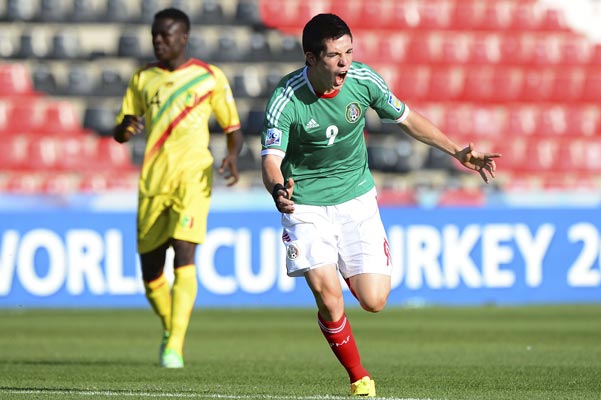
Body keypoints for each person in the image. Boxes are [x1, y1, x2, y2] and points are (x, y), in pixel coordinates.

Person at [260, 13, 500, 397]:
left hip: (356, 200)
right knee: (328, 296)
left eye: (349, 52)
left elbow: (407, 119)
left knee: (374, 300)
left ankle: (341, 270)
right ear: (311, 58)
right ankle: (359, 378)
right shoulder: (286, 98)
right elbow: (271, 159)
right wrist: (277, 190)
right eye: (334, 55)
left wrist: (457, 151)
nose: (344, 63)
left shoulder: (363, 81)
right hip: (304, 206)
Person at [113, 8, 243, 369]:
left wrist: (232, 155)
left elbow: (233, 128)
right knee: (151, 273)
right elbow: (121, 130)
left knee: (185, 253)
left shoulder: (208, 77)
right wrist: (124, 129)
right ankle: (172, 328)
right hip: (154, 180)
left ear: (183, 37)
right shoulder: (143, 78)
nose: (158, 41)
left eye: (165, 35)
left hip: (193, 177)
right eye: (154, 35)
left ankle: (175, 346)